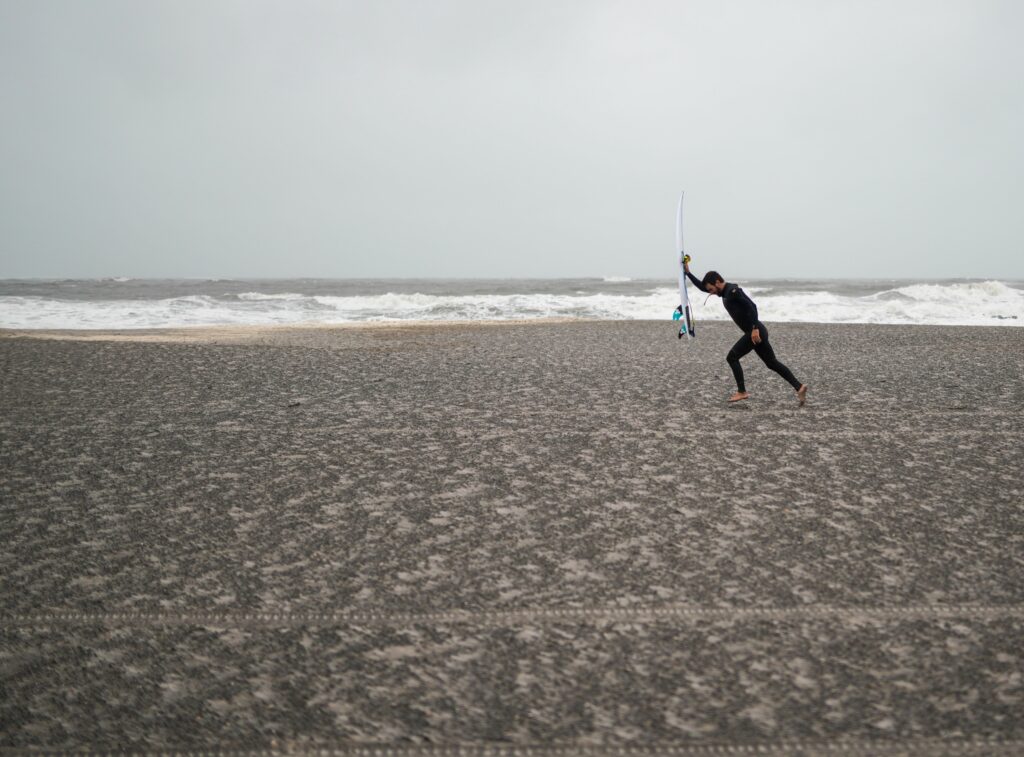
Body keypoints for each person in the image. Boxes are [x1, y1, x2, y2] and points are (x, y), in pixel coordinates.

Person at [684, 260, 808, 405]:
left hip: (755, 331)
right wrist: (688, 273)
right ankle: (799, 387)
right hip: (758, 331)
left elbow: (752, 306)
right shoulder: (724, 291)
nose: (710, 293)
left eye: (711, 289)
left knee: (732, 357)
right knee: (771, 363)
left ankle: (741, 391)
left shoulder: (732, 292)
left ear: (717, 282)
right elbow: (702, 287)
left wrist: (754, 329)